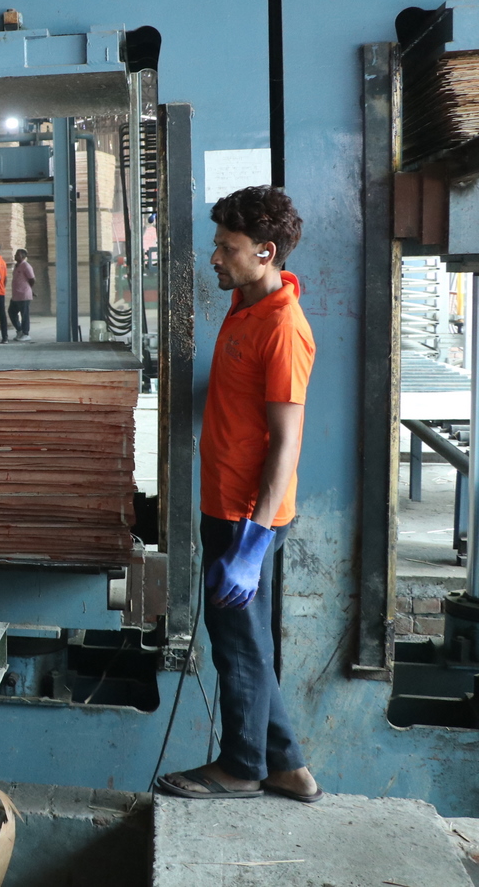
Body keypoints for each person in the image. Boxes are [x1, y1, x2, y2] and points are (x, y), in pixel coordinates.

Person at [156, 185, 320, 804]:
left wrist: (252, 543)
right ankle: (288, 768)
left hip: (244, 515)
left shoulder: (282, 328)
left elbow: (285, 442)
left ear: (266, 251)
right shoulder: (246, 304)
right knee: (245, 640)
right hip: (222, 501)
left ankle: (242, 767)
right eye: (217, 245)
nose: (215, 258)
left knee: (237, 649)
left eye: (228, 248)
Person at [9, 248, 36, 342]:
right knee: (11, 312)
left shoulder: (26, 266)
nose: (15, 256)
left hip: (24, 295)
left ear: (23, 257)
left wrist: (28, 288)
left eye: (18, 255)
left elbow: (32, 279)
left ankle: (26, 333)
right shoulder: (17, 266)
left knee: (25, 315)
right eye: (16, 254)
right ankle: (19, 330)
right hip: (16, 295)